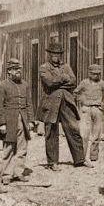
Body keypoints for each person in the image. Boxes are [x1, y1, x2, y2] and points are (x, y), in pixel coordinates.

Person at [38, 38, 88, 170]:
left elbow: (73, 81)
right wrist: (64, 78)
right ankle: (52, 162)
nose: (56, 57)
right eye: (54, 54)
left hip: (66, 101)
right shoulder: (43, 67)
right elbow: (48, 82)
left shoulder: (66, 66)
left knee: (73, 129)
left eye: (59, 54)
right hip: (51, 102)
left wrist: (59, 80)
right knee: (51, 132)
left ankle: (80, 159)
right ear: (49, 55)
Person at [0, 58, 36, 184]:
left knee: (22, 148)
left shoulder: (25, 85)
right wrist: (2, 123)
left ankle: (18, 172)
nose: (18, 72)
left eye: (19, 69)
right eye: (15, 70)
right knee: (8, 147)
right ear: (9, 72)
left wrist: (31, 121)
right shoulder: (2, 86)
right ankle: (6, 174)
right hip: (9, 120)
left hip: (23, 119)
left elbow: (29, 104)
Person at [74, 64, 104, 163]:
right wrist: (82, 100)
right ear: (89, 73)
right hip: (86, 109)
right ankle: (82, 156)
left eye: (98, 74)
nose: (96, 76)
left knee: (96, 134)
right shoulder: (84, 83)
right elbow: (76, 93)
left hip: (98, 109)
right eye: (94, 74)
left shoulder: (102, 83)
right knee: (84, 134)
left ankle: (94, 156)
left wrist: (103, 103)